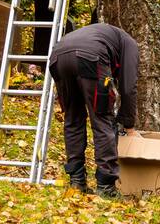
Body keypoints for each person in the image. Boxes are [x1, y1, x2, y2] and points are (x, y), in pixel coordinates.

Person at [49, 22, 140, 197]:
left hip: (57, 57)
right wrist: (128, 124)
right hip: (90, 58)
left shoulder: (104, 34)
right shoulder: (130, 44)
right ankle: (106, 187)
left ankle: (77, 182)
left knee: (73, 119)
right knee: (102, 118)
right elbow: (128, 87)